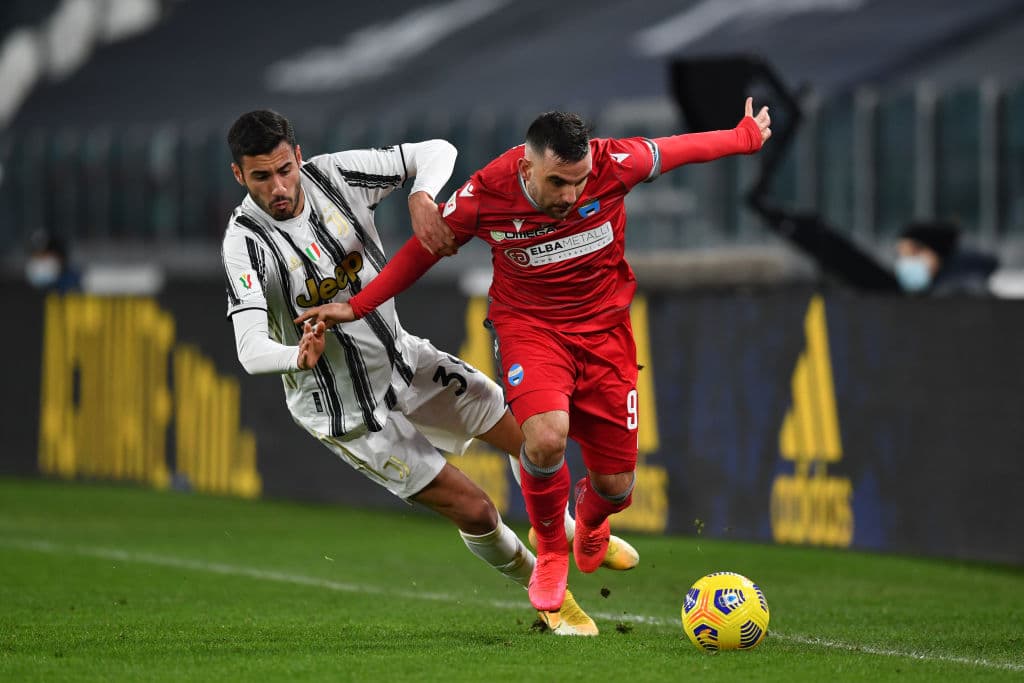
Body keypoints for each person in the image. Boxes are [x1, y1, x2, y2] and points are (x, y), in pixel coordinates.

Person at [295, 99, 772, 612]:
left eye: (580, 181)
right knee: (544, 440)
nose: (571, 195)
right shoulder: (486, 192)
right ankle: (550, 552)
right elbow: (423, 250)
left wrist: (743, 137)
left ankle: (590, 525)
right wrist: (359, 305)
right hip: (531, 330)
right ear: (527, 167)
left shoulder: (615, 164)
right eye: (558, 183)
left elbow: (680, 149)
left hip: (607, 335)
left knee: (616, 488)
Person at [220, 109, 637, 637]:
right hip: (349, 412)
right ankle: (553, 603)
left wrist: (422, 194)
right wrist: (293, 356)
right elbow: (250, 348)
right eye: (262, 176)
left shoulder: (336, 174)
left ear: (298, 156)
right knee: (479, 511)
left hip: (408, 363)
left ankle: (565, 532)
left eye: (285, 169)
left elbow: (435, 150)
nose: (279, 186)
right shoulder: (244, 243)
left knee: (532, 438)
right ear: (240, 175)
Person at [895, 220, 998, 296]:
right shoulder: (932, 290)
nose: (906, 261)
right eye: (901, 255)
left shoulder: (962, 293)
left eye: (913, 253)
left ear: (937, 253)